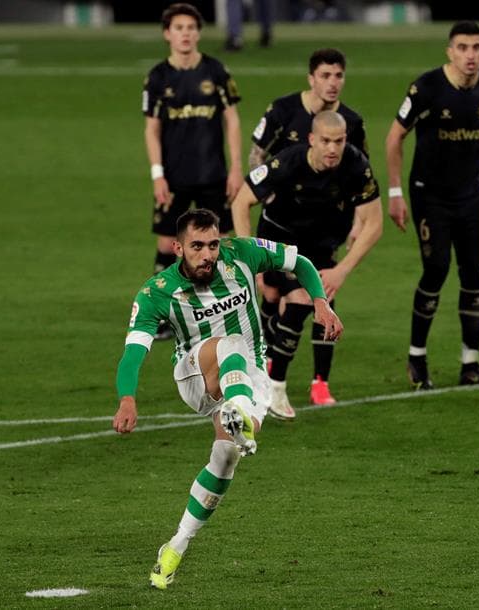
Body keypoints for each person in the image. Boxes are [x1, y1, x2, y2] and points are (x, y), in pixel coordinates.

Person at [112, 209, 342, 589]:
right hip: (195, 374)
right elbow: (134, 353)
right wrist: (127, 399)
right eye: (197, 246)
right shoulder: (156, 293)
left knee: (225, 458)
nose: (207, 254)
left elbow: (298, 261)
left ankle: (175, 547)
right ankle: (237, 412)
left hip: (249, 377)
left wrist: (320, 301)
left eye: (213, 244)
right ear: (177, 248)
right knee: (231, 344)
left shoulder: (242, 254)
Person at [385, 20, 479, 390]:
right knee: (436, 270)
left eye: (477, 47)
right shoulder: (427, 88)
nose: (471, 55)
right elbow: (395, 136)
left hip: (471, 195)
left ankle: (471, 365)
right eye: (463, 47)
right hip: (429, 195)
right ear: (450, 51)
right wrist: (396, 192)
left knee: (474, 275)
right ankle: (417, 358)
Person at [233, 110, 382, 417]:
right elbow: (241, 201)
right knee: (279, 298)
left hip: (322, 245)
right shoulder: (286, 162)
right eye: (326, 141)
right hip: (279, 240)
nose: (332, 148)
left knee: (306, 301)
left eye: (339, 141)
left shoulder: (356, 166)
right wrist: (249, 256)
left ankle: (273, 384)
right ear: (312, 139)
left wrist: (342, 270)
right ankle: (266, 376)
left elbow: (374, 224)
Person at [246, 48, 370, 415]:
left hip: (325, 224)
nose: (333, 83)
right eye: (326, 75)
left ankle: (315, 381)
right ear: (311, 78)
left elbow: (359, 171)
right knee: (271, 293)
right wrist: (264, 187)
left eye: (339, 75)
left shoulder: (350, 121)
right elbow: (257, 154)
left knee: (316, 295)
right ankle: (267, 369)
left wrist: (358, 221)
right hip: (281, 222)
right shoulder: (284, 110)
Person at [143, 3, 244, 339]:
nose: (185, 34)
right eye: (179, 28)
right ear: (167, 34)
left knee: (223, 242)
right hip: (174, 177)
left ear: (198, 33)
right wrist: (157, 173)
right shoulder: (158, 77)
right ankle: (163, 314)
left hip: (214, 174)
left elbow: (231, 119)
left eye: (190, 28)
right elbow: (152, 128)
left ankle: (226, 308)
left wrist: (236, 167)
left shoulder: (215, 71)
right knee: (166, 244)